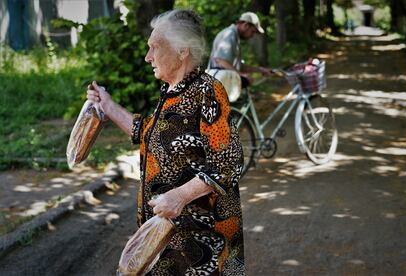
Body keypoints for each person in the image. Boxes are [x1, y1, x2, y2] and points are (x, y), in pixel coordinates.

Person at [86, 9, 245, 275]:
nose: (148, 57)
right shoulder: (172, 92)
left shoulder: (206, 90)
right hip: (168, 234)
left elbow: (229, 162)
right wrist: (108, 106)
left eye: (154, 48)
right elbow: (147, 133)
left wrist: (181, 195)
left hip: (199, 239)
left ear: (182, 51)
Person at [208, 12, 274, 88]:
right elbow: (221, 60)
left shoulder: (235, 37)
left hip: (225, 85)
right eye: (253, 31)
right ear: (246, 25)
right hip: (218, 87)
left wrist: (261, 70)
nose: (252, 36)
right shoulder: (229, 34)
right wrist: (241, 74)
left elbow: (238, 66)